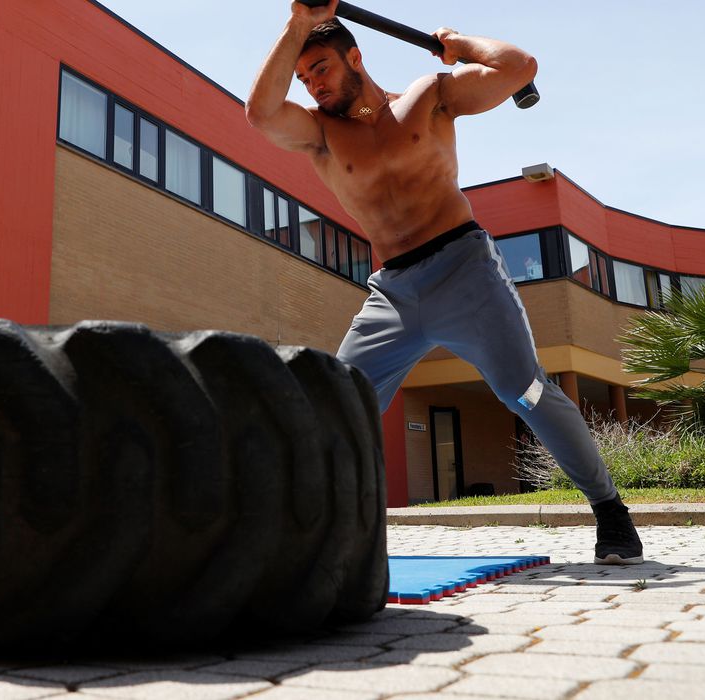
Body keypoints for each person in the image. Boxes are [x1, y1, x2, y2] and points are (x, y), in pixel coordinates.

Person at [246, 0, 643, 564]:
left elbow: (519, 67)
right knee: (338, 401)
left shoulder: (429, 96)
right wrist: (297, 27)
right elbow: (259, 114)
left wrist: (459, 45)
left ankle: (610, 511)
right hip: (394, 293)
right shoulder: (321, 135)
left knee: (525, 390)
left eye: (322, 70)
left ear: (355, 57)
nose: (312, 86)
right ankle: (313, 531)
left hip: (465, 270)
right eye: (305, 77)